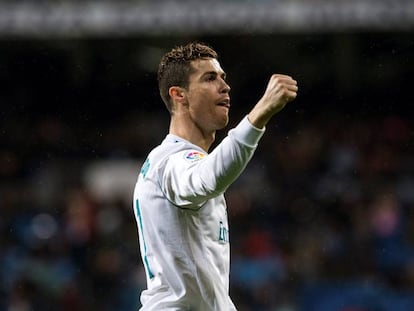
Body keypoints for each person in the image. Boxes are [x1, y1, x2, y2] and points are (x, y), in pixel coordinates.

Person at [132, 42, 298, 310]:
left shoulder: (175, 159)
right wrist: (261, 113)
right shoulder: (172, 162)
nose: (225, 86)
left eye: (223, 77)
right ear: (179, 95)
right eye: (209, 78)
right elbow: (205, 178)